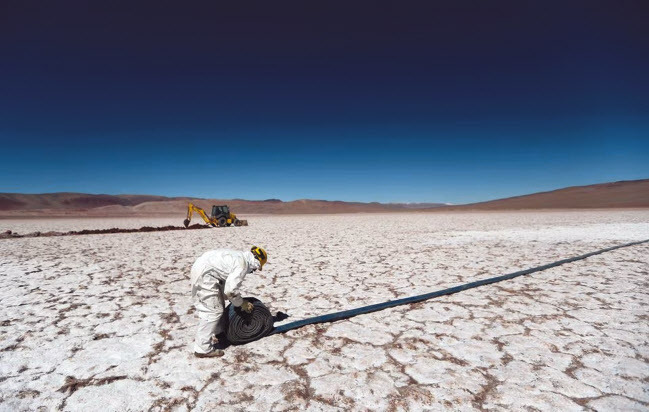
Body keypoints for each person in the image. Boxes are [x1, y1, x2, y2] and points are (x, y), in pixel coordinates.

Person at [190, 246, 267, 357]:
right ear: (256, 264)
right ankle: (202, 349)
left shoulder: (239, 256)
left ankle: (219, 333)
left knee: (218, 305)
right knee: (212, 311)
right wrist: (242, 303)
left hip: (203, 269)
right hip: (205, 276)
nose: (253, 272)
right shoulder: (242, 265)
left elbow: (225, 279)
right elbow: (231, 291)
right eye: (255, 270)